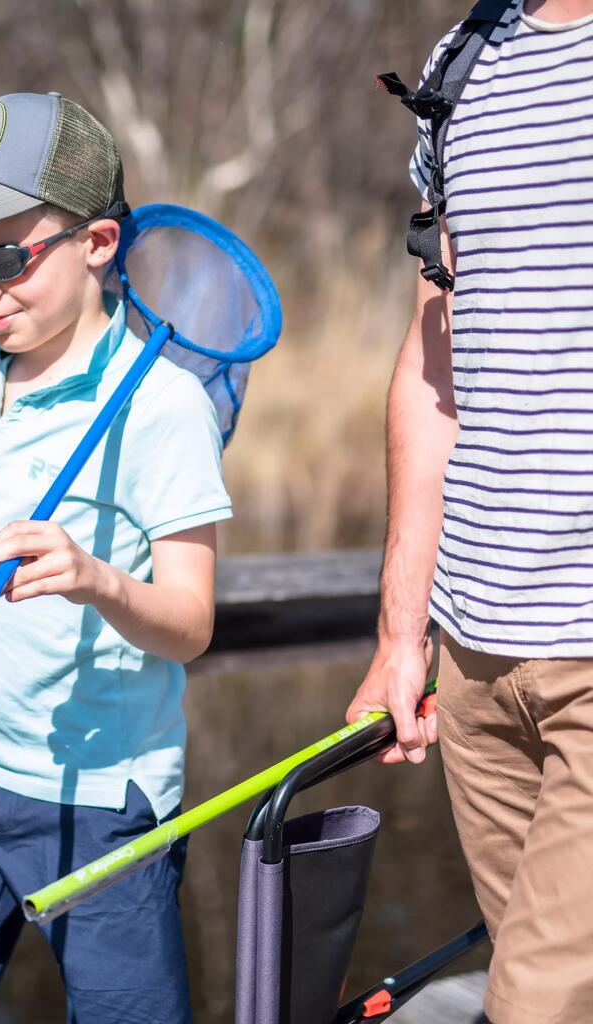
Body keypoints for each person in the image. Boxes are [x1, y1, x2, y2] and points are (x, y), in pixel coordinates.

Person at [0, 92, 231, 1024]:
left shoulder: (164, 406)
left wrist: (97, 579)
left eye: (6, 259)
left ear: (98, 245)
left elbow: (190, 627)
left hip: (97, 800)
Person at [346, 2, 593, 1022]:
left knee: (530, 1005)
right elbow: (431, 358)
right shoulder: (464, 60)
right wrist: (401, 632)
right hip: (477, 660)